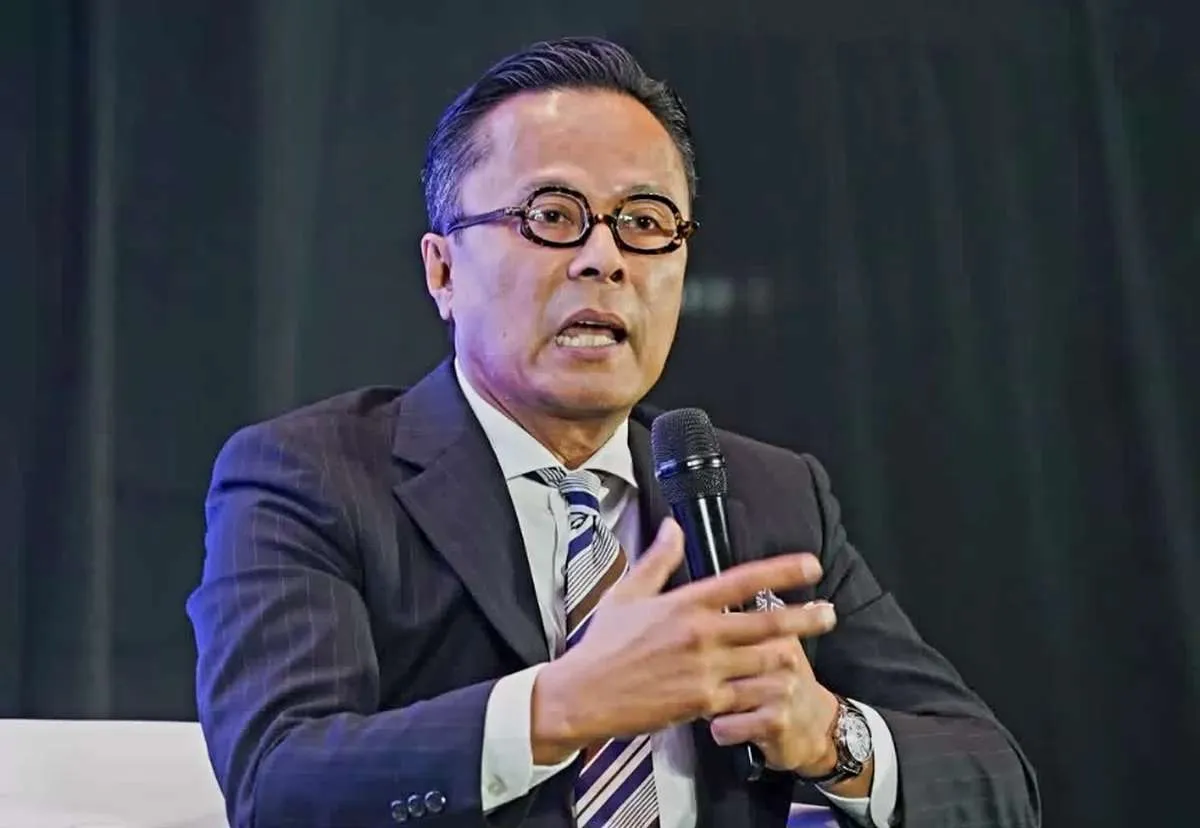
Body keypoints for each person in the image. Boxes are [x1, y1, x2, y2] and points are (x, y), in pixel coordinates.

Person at [187, 36, 1040, 828]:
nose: (606, 259)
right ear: (443, 270)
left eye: (645, 222)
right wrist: (561, 707)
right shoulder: (315, 476)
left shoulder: (768, 495)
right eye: (553, 215)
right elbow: (278, 783)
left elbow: (995, 780)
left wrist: (828, 734)